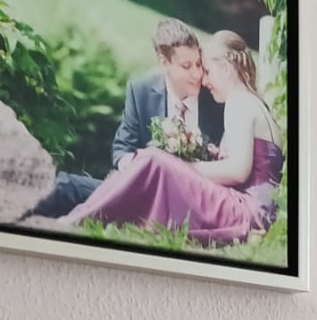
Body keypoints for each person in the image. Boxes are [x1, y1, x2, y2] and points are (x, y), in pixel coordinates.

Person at [46, 29, 282, 246]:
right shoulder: (254, 103)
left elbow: (237, 171)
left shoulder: (238, 102)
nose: (204, 80)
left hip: (246, 213)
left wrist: (183, 166)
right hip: (254, 210)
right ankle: (75, 207)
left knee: (154, 159)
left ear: (227, 68)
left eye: (208, 71)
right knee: (152, 162)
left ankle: (75, 220)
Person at [26, 17, 227, 220]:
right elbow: (122, 148)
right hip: (141, 193)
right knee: (66, 186)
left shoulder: (215, 98)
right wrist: (137, 168)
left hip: (191, 202)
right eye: (186, 66)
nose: (197, 74)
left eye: (198, 64)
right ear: (164, 62)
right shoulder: (141, 90)